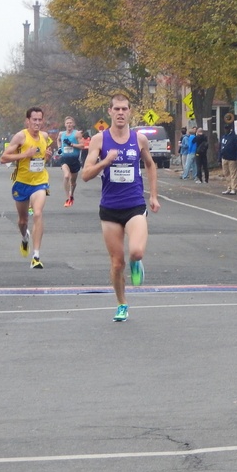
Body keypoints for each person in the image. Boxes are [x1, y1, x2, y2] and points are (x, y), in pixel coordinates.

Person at [81, 93, 160, 322]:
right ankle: (122, 303)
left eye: (124, 109)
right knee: (117, 263)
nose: (121, 113)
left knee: (136, 251)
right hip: (110, 208)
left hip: (135, 205)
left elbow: (150, 165)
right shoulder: (99, 140)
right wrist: (105, 161)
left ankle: (137, 262)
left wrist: (153, 195)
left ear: (130, 112)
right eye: (116, 109)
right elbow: (86, 174)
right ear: (109, 112)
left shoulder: (139, 139)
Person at [0, 107, 53, 269]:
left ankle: (36, 256)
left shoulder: (44, 136)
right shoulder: (21, 137)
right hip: (22, 183)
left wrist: (47, 156)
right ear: (27, 121)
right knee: (23, 221)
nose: (37, 123)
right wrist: (24, 155)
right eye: (34, 120)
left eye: (40, 120)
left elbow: (45, 154)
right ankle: (24, 238)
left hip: (40, 182)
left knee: (37, 213)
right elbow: (3, 158)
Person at [55, 116, 82, 207]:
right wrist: (59, 148)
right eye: (67, 123)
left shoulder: (77, 134)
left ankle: (72, 195)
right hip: (64, 159)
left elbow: (82, 146)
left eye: (70, 123)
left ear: (73, 124)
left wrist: (71, 144)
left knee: (73, 182)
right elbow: (58, 140)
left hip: (74, 160)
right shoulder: (61, 134)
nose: (69, 124)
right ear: (65, 124)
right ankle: (67, 198)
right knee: (66, 176)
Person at [219, 125, 237, 195]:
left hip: (232, 158)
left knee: (233, 174)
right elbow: (221, 147)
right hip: (224, 157)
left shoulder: (235, 137)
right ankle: (229, 187)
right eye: (225, 128)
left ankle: (234, 188)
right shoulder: (223, 137)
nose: (226, 130)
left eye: (227, 128)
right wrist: (219, 157)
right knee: (226, 174)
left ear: (230, 129)